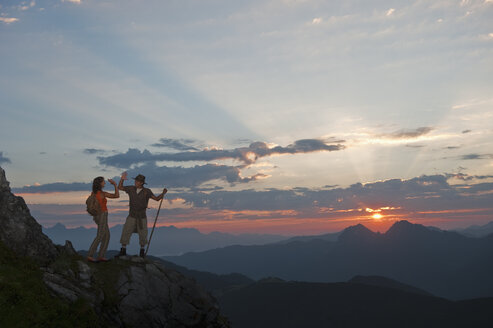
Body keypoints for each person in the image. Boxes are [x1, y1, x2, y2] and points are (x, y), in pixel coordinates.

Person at [117, 172, 167, 257]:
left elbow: (157, 199)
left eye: (137, 181)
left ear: (142, 183)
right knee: (126, 231)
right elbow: (120, 187)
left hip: (142, 216)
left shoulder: (147, 191)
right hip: (132, 215)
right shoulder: (131, 189)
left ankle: (142, 251)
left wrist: (163, 194)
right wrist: (122, 179)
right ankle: (123, 250)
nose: (135, 182)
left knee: (143, 233)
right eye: (135, 181)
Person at [87, 177, 119, 262]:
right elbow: (116, 196)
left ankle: (101, 256)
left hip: (97, 216)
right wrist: (115, 185)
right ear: (100, 183)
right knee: (100, 235)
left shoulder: (93, 193)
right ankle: (90, 255)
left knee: (107, 235)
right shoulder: (102, 194)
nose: (105, 183)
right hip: (102, 215)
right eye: (103, 182)